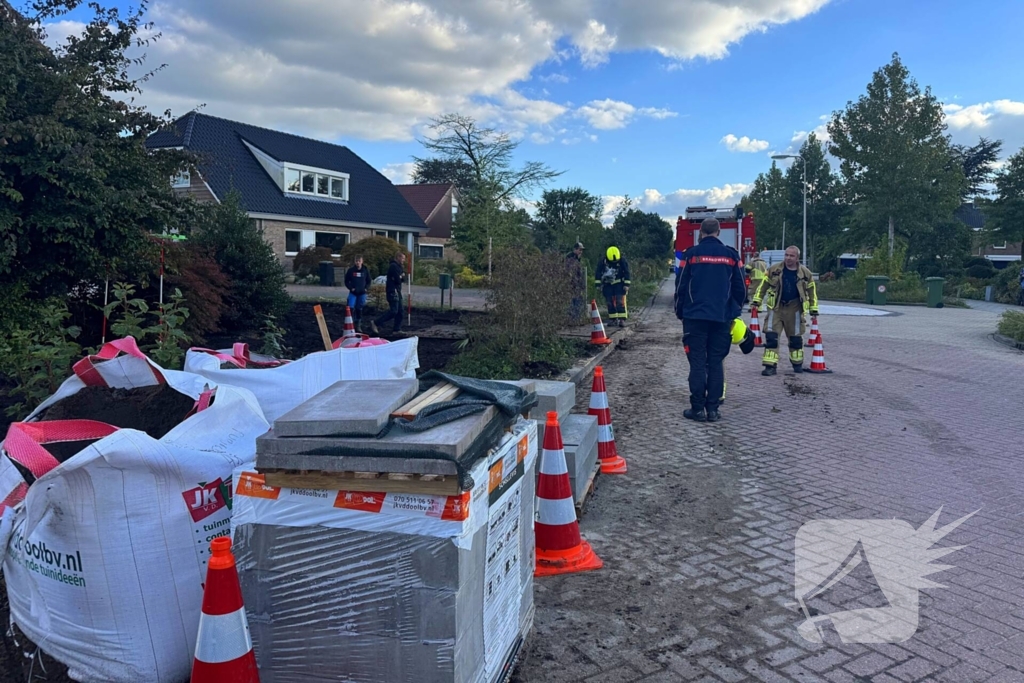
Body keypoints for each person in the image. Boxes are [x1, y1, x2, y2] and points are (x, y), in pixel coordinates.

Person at [674, 218, 747, 422]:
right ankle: (713, 410)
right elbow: (741, 288)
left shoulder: (690, 255)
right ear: (718, 231)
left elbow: (681, 286)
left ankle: (697, 409)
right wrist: (734, 310)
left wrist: (680, 311)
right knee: (715, 362)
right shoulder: (732, 255)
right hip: (721, 317)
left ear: (701, 231)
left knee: (697, 362)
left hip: (694, 317)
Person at [751, 246, 818, 376]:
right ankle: (770, 366)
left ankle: (797, 364)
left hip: (795, 308)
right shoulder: (774, 270)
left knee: (795, 338)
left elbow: (812, 291)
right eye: (786, 255)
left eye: (791, 256)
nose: (788, 258)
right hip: (775, 308)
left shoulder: (805, 273)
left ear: (797, 258)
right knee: (771, 337)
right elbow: (763, 286)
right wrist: (756, 301)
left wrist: (813, 309)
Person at [370, 252, 407, 335]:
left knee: (400, 311)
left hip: (398, 291)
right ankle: (376, 322)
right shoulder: (393, 266)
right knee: (394, 311)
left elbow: (403, 279)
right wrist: (400, 277)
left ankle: (396, 329)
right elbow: (398, 280)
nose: (403, 260)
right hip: (392, 291)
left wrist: (401, 277)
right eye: (402, 258)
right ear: (398, 257)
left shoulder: (400, 267)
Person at [596, 246, 631, 327]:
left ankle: (622, 320)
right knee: (609, 302)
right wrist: (598, 284)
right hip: (607, 285)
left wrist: (626, 284)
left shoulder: (622, 260)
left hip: (619, 284)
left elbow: (627, 272)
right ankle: (613, 319)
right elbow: (598, 272)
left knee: (620, 302)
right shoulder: (603, 261)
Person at [344, 255, 371, 332]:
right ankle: (350, 323)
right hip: (353, 293)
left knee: (359, 308)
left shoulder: (365, 270)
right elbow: (346, 281)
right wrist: (350, 288)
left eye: (359, 261)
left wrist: (366, 288)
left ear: (362, 261)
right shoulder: (351, 271)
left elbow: (369, 281)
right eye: (356, 261)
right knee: (350, 307)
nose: (358, 262)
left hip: (362, 293)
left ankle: (358, 324)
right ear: (354, 261)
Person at [565, 242, 586, 323]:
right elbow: (571, 272)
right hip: (572, 284)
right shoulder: (570, 258)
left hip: (577, 284)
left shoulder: (577, 258)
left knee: (577, 301)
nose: (581, 252)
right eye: (580, 250)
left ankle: (576, 319)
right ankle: (573, 319)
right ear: (575, 249)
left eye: (581, 250)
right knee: (573, 302)